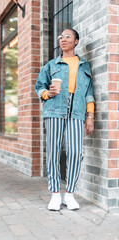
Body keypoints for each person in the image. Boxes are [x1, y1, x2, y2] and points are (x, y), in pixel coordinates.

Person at [35, 28, 95, 211]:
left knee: (76, 152)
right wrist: (47, 93)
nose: (63, 39)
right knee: (53, 152)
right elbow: (39, 86)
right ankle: (55, 194)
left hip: (77, 112)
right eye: (61, 36)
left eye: (68, 36)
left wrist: (90, 116)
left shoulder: (84, 66)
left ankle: (69, 194)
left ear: (76, 41)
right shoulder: (52, 65)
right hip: (54, 109)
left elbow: (89, 94)